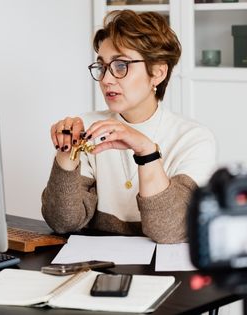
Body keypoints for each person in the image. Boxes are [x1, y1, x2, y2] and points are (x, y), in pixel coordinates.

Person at [41, 10, 216, 243]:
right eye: (102, 67)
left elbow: (171, 231)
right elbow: (63, 222)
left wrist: (147, 152)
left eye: (121, 65)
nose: (106, 79)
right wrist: (66, 153)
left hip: (163, 274)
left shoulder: (193, 138)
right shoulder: (88, 128)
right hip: (98, 267)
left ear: (158, 73)